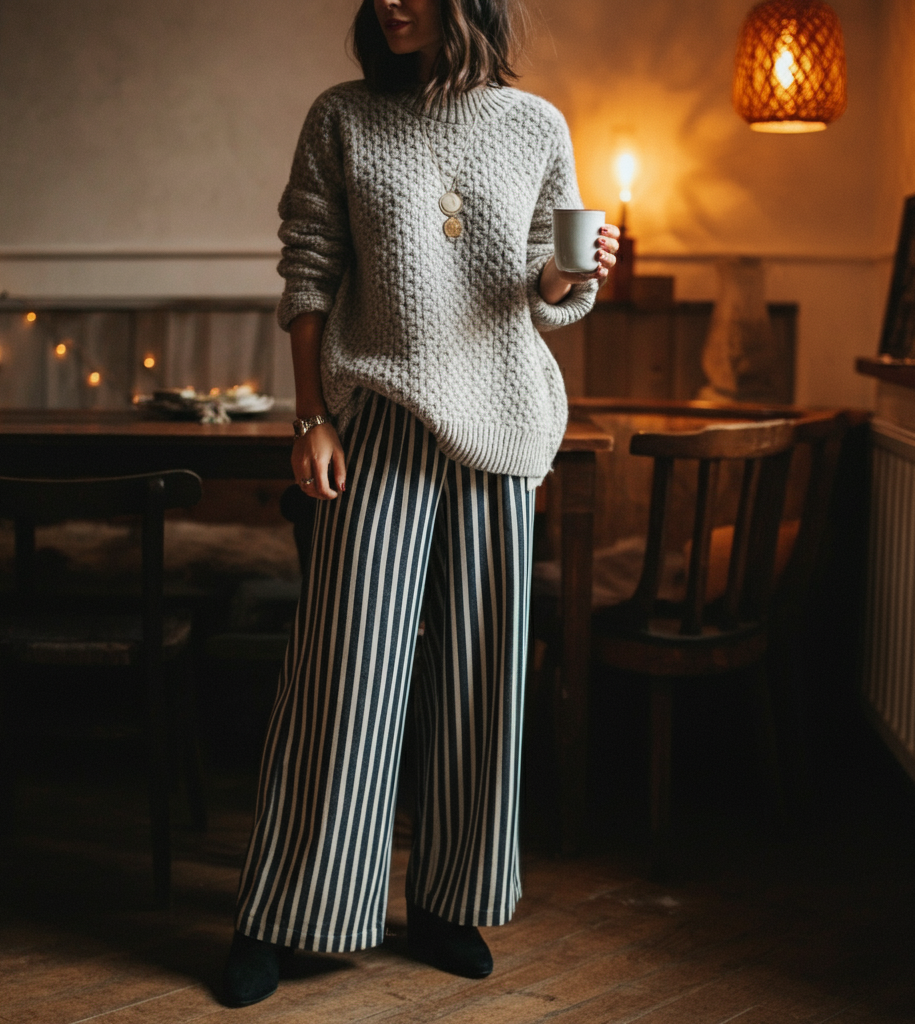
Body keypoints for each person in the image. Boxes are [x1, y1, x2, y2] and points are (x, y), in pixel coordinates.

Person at [222, 0, 619, 1006]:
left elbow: (547, 289)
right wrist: (307, 417)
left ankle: (448, 900)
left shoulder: (536, 126)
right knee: (342, 674)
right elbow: (310, 274)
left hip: (500, 423)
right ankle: (288, 910)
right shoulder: (341, 115)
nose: (390, 1)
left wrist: (573, 270)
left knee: (482, 676)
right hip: (382, 417)